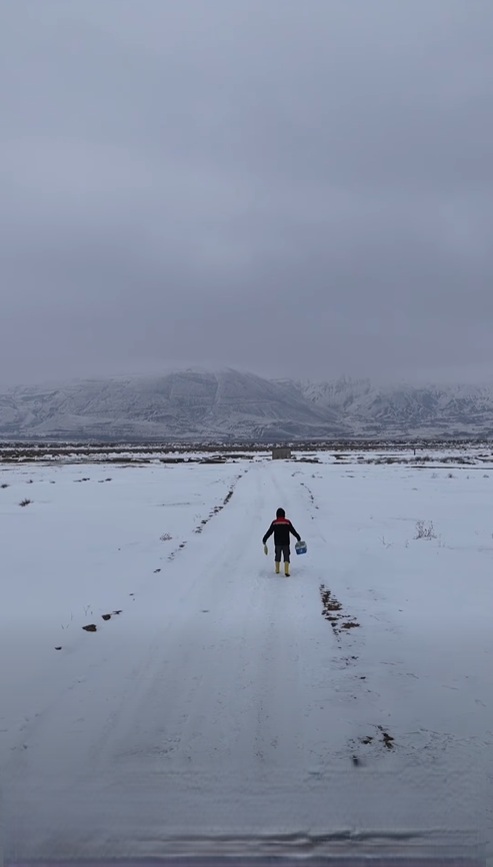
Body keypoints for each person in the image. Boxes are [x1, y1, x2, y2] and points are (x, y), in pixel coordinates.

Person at [262, 507, 301, 576]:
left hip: (277, 543)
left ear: (276, 515)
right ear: (284, 515)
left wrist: (265, 538)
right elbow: (293, 531)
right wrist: (298, 537)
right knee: (286, 555)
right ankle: (286, 571)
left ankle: (277, 570)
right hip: (286, 542)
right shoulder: (287, 522)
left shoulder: (274, 523)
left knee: (278, 554)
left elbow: (269, 532)